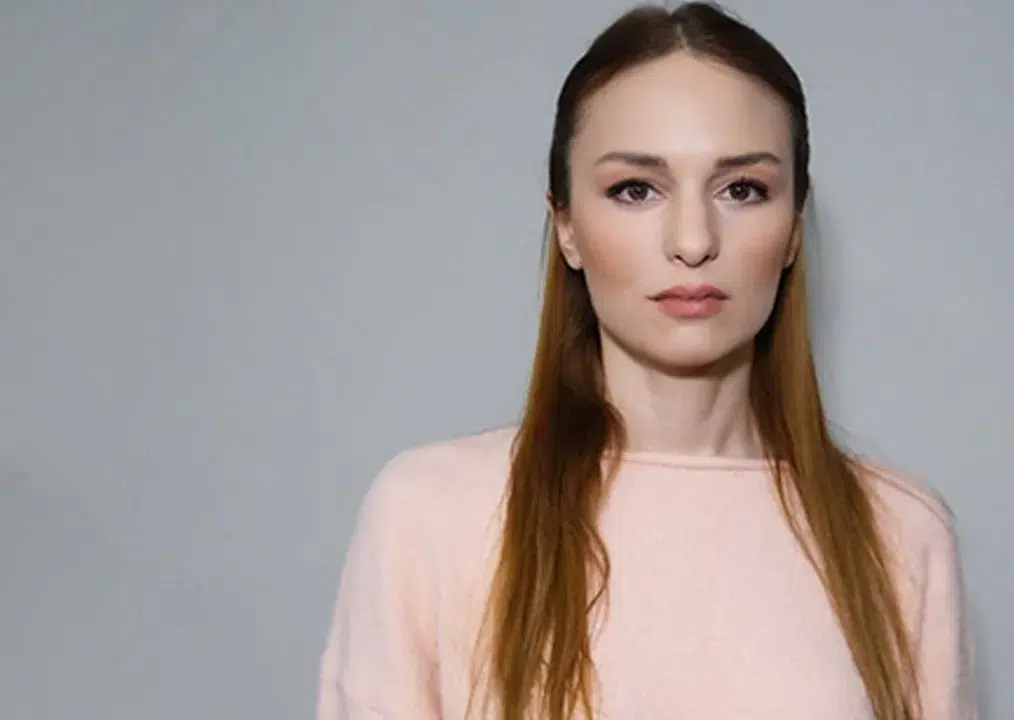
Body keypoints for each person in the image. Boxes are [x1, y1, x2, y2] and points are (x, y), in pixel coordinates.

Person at [317, 2, 976, 719]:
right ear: (566, 226)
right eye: (635, 190)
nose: (692, 240)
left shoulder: (900, 530)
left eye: (742, 189)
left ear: (793, 228)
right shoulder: (429, 514)